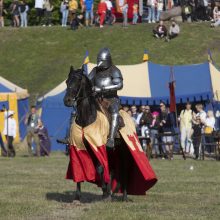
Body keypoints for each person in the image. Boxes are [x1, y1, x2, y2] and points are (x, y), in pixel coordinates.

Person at [88, 48, 123, 148]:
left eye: (101, 61)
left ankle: (111, 138)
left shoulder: (114, 70)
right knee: (82, 109)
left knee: (115, 113)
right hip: (96, 98)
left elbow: (119, 85)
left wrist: (102, 89)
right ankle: (73, 136)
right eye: (98, 60)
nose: (99, 63)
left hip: (111, 99)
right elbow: (88, 81)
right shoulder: (95, 70)